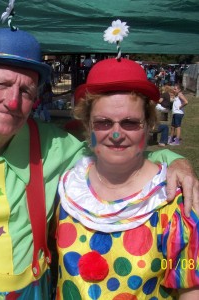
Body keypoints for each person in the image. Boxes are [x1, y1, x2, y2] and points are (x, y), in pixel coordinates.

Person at [0, 28, 198, 300]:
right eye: (2, 85)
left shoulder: (52, 145)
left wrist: (175, 160)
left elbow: (113, 151)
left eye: (26, 91)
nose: (12, 102)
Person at [55, 58, 199, 299]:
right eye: (103, 123)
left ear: (149, 125)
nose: (115, 134)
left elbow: (189, 287)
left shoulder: (175, 202)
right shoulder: (68, 189)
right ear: (89, 127)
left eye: (130, 123)